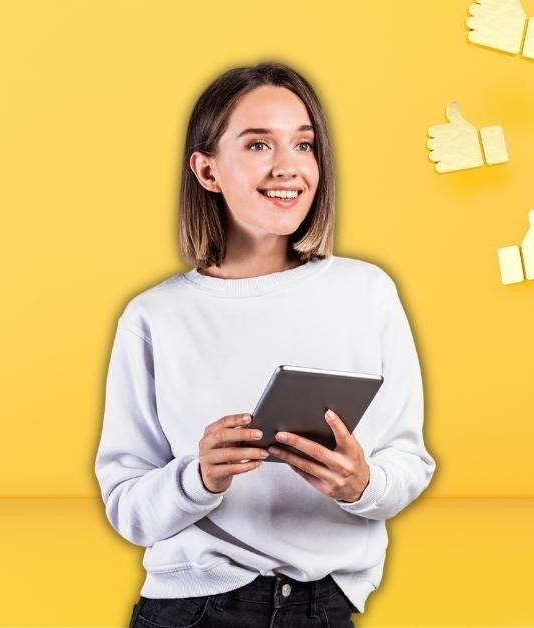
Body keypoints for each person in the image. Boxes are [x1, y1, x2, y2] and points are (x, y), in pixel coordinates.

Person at [93, 60, 435, 627]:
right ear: (207, 170)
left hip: (324, 609)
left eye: (304, 145)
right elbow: (127, 508)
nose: (288, 167)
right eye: (257, 145)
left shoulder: (366, 293)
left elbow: (408, 463)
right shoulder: (155, 316)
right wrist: (198, 476)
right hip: (193, 610)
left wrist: (361, 485)